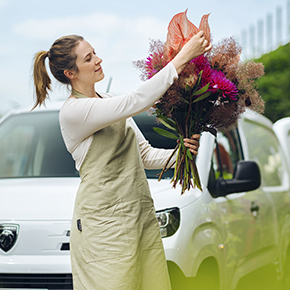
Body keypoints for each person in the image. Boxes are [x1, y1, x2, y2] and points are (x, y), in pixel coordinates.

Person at [32, 32, 212, 290]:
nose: (98, 60)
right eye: (89, 58)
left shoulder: (107, 100)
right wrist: (183, 57)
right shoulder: (74, 112)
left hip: (138, 217)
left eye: (95, 53)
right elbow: (134, 101)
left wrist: (181, 155)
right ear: (71, 73)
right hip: (105, 228)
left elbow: (145, 155)